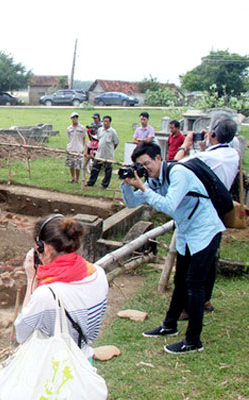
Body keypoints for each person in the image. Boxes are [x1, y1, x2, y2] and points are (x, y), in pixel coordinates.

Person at [121, 142, 224, 354]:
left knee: (194, 286)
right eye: (140, 165)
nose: (145, 169)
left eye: (147, 163)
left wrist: (144, 187)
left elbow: (168, 205)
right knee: (180, 281)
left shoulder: (178, 173)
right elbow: (132, 203)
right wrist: (126, 183)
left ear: (159, 158)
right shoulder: (154, 179)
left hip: (205, 231)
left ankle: (193, 341)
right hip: (187, 233)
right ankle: (169, 326)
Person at [14, 214, 108, 363]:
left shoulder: (46, 295)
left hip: (54, 370)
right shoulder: (98, 274)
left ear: (46, 248)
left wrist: (32, 279)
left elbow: (21, 334)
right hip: (84, 362)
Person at [174, 118, 240, 315]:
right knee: (210, 256)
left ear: (212, 135)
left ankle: (187, 306)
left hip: (200, 212)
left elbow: (175, 165)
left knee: (189, 257)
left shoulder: (207, 158)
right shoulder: (233, 154)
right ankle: (205, 300)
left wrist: (186, 146)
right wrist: (205, 146)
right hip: (219, 210)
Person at [86, 116, 119, 189]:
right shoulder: (100, 130)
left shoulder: (112, 131)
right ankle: (91, 182)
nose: (105, 123)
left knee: (108, 170)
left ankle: (105, 184)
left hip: (108, 154)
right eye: (104, 121)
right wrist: (89, 133)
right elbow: (96, 139)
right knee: (95, 168)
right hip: (99, 153)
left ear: (110, 122)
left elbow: (116, 142)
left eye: (107, 121)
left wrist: (112, 150)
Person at [66, 112, 86, 184]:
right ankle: (72, 177)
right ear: (71, 119)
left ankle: (77, 179)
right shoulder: (69, 128)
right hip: (71, 148)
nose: (75, 119)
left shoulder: (82, 128)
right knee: (71, 164)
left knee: (78, 165)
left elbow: (84, 138)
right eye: (73, 118)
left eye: (76, 117)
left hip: (79, 148)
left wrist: (83, 148)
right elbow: (69, 137)